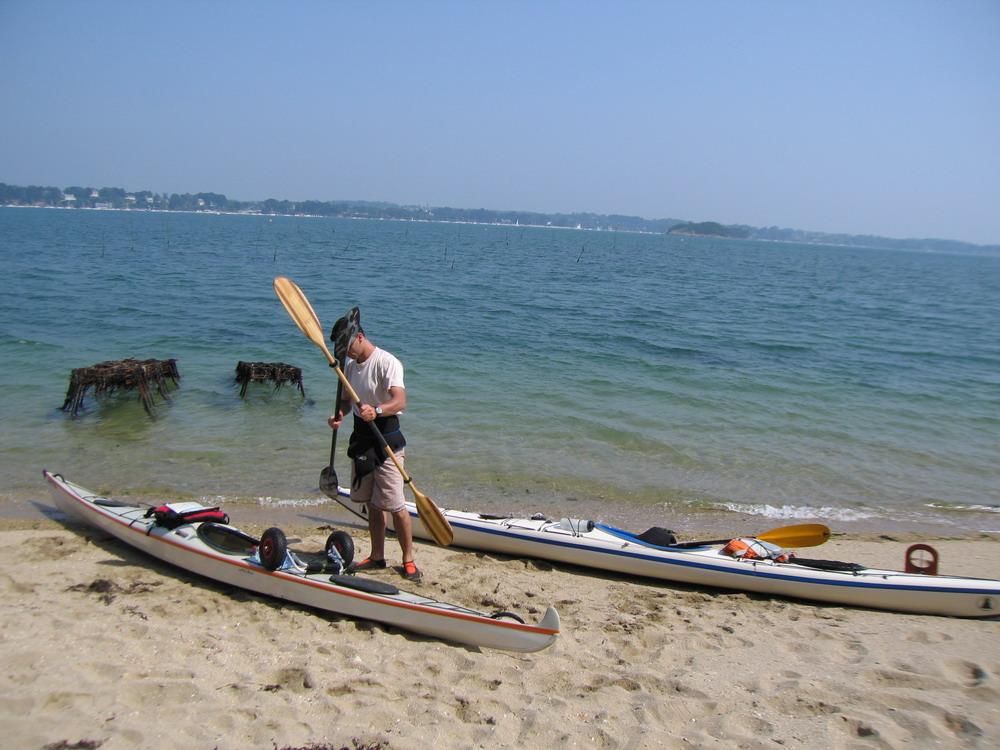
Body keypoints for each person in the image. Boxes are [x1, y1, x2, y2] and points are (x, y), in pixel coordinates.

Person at [327, 313, 421, 582]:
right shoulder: (349, 366)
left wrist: (377, 410)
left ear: (360, 337)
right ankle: (377, 555)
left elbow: (400, 400)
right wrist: (340, 415)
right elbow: (346, 401)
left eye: (348, 348)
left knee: (395, 505)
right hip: (361, 439)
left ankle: (408, 559)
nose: (346, 354)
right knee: (372, 504)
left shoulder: (387, 362)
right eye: (342, 351)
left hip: (386, 440)